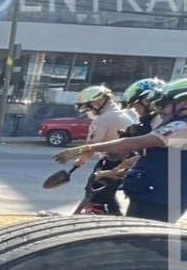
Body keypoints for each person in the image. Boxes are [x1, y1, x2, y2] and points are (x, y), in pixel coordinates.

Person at [55, 78, 187, 223]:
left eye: (163, 105)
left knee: (141, 242)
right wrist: (118, 170)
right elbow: (159, 157)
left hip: (160, 198)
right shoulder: (172, 125)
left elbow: (131, 144)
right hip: (154, 194)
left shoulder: (182, 126)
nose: (159, 111)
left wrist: (87, 148)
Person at [69, 85, 134, 215]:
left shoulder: (103, 120)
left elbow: (91, 145)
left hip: (113, 161)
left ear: (97, 102)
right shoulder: (125, 114)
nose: (88, 110)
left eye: (88, 106)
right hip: (127, 160)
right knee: (108, 194)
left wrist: (81, 160)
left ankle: (99, 222)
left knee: (95, 195)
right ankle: (117, 217)